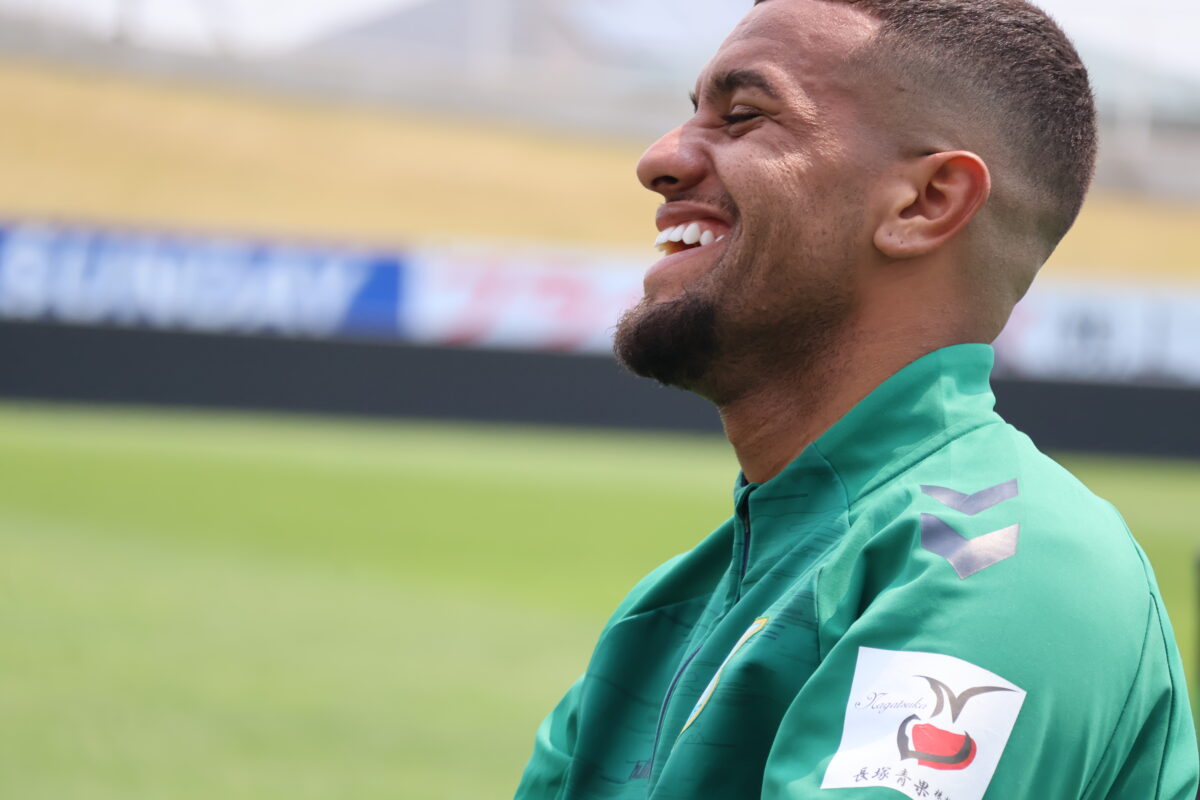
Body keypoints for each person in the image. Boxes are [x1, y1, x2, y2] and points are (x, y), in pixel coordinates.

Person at [515, 0, 1200, 798]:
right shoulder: (668, 609)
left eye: (743, 116)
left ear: (925, 202)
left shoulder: (995, 565)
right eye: (691, 113)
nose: (659, 160)